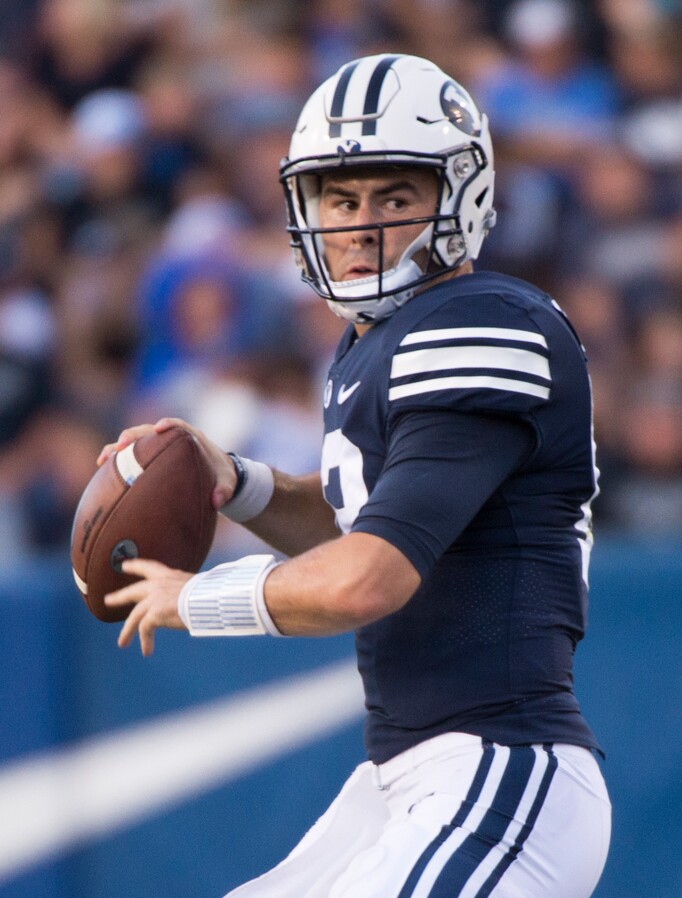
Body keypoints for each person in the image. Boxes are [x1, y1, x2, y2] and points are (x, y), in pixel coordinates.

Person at [98, 54, 611, 898]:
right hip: (401, 779)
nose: (362, 223)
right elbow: (360, 523)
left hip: (498, 770)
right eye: (342, 199)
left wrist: (193, 598)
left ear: (460, 196)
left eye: (394, 197)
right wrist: (239, 482)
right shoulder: (367, 344)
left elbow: (368, 579)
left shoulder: (484, 320)